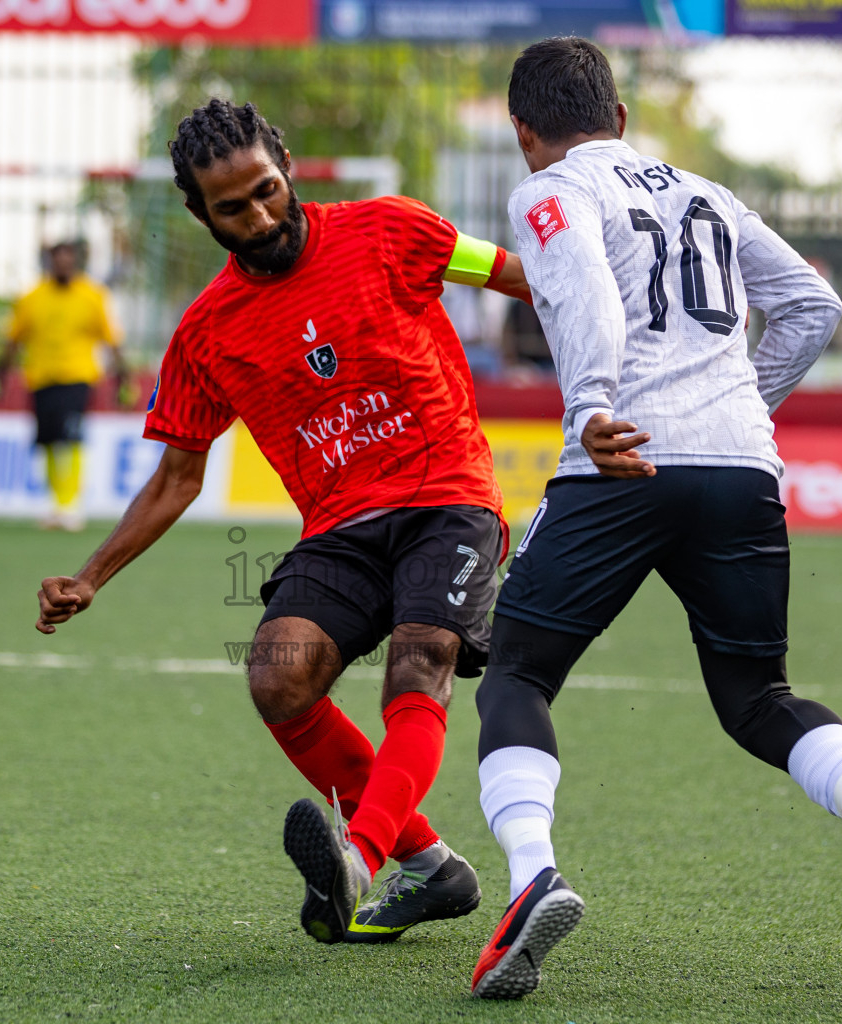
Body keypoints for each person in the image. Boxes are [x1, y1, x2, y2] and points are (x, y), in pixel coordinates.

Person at [467, 38, 842, 1000]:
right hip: (741, 469)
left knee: (515, 671)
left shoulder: (552, 187)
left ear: (527, 133)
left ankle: (531, 881)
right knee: (757, 696)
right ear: (622, 117)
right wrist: (742, 410)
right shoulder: (709, 193)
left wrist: (594, 403)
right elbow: (812, 305)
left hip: (621, 457)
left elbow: (591, 292)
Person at [32, 99, 534, 947]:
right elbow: (177, 477)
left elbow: (520, 275)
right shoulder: (204, 333)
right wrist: (90, 575)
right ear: (200, 213)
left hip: (449, 496)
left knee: (420, 666)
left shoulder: (393, 229)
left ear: (288, 164)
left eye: (267, 190)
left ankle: (363, 857)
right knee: (277, 675)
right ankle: (432, 869)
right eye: (233, 208)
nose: (260, 216)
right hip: (340, 528)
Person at [0, 241, 122, 531]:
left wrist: (122, 376)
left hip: (78, 377)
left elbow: (111, 338)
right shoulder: (32, 298)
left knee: (72, 438)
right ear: (49, 262)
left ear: (76, 261)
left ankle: (70, 505)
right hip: (41, 377)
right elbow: (14, 339)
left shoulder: (92, 296)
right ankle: (55, 504)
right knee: (48, 441)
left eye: (68, 258)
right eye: (57, 259)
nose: (63, 264)